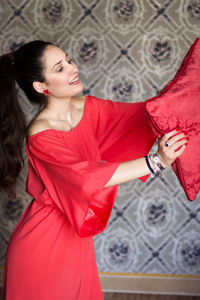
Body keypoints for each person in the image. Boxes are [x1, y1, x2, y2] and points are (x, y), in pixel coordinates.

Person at [1, 40, 187, 300]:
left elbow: (143, 116)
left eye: (69, 60)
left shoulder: (89, 107)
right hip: (42, 245)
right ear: (41, 86)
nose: (73, 68)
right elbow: (86, 178)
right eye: (60, 68)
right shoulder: (40, 134)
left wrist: (186, 99)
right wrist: (156, 161)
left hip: (76, 241)